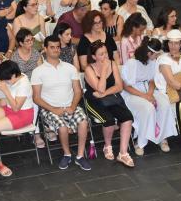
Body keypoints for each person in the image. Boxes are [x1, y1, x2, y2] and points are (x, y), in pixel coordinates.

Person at [31, 34, 91, 171]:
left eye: (58, 47)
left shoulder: (70, 68)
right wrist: (53, 109)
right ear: (45, 49)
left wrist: (73, 106)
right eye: (52, 47)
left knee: (83, 122)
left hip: (70, 105)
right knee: (62, 128)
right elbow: (36, 98)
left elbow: (78, 91)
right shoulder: (38, 71)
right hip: (50, 108)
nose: (56, 50)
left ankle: (80, 156)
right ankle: (67, 154)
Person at [121, 38, 176, 156]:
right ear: (148, 53)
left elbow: (152, 80)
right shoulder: (132, 63)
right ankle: (140, 142)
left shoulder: (152, 61)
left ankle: (162, 137)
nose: (157, 56)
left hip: (148, 90)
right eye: (156, 54)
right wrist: (145, 97)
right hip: (133, 93)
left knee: (165, 103)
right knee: (148, 108)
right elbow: (126, 87)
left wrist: (150, 94)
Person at [83, 40, 134, 167]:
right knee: (109, 120)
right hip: (94, 101)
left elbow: (119, 86)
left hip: (111, 98)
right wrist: (105, 70)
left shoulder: (112, 64)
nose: (105, 56)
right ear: (94, 56)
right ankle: (107, 146)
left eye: (106, 53)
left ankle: (123, 153)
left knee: (127, 118)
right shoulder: (89, 69)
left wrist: (104, 93)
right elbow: (99, 88)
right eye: (101, 54)